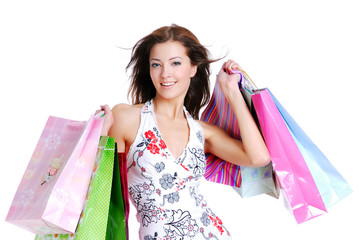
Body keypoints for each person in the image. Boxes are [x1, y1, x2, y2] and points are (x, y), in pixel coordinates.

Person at [100, 24, 270, 240]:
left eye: (176, 63)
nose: (165, 74)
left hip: (211, 233)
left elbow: (259, 157)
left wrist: (232, 93)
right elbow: (102, 189)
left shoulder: (201, 132)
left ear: (193, 68)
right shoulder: (127, 118)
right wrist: (100, 140)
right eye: (156, 65)